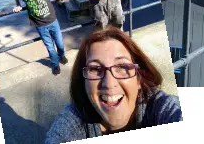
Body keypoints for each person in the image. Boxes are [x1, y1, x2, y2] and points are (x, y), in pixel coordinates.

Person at [45, 27, 182, 143]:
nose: (109, 84)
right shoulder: (72, 123)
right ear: (83, 83)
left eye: (122, 66)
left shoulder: (160, 109)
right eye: (95, 69)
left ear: (139, 78)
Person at [12, 0, 68, 75]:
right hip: (40, 25)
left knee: (60, 44)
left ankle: (62, 55)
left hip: (53, 21)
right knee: (50, 48)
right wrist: (18, 4)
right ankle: (55, 65)